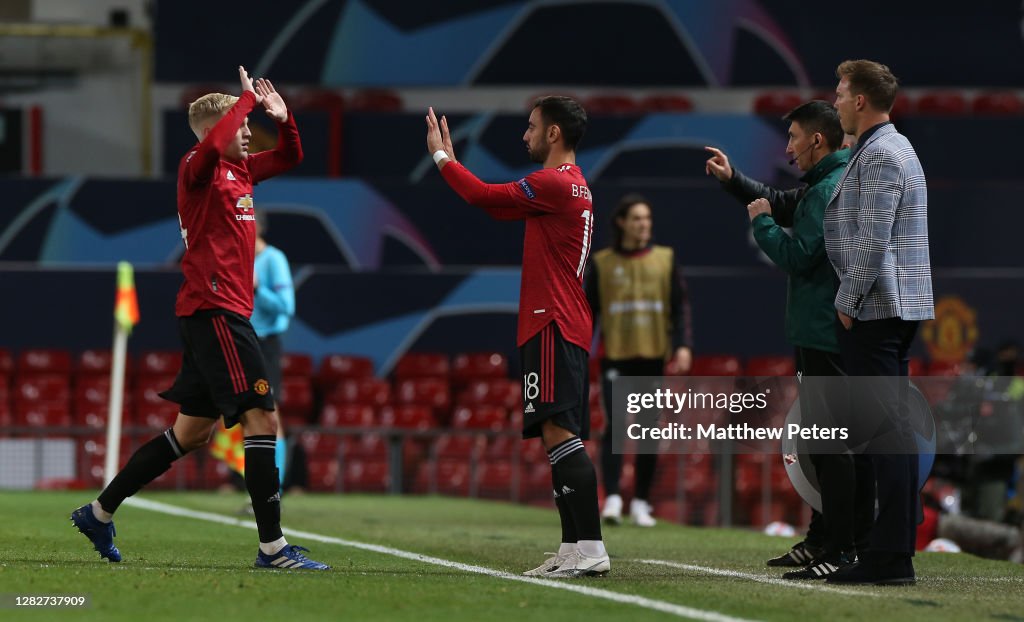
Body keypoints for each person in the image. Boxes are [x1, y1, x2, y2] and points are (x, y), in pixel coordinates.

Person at [70, 67, 329, 571]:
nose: (250, 132)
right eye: (242, 126)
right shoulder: (198, 165)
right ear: (218, 130)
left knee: (190, 434)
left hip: (217, 313)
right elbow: (212, 147)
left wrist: (283, 116)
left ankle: (99, 512)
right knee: (262, 420)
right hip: (216, 311)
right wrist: (245, 101)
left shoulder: (243, 171)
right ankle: (274, 549)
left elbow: (292, 155)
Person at [425, 97, 608, 578]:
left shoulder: (554, 183)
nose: (523, 134)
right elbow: (499, 208)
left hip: (552, 322)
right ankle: (573, 549)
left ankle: (590, 548)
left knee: (561, 435)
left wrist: (444, 158)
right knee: (556, 437)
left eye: (530, 126)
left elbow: (484, 197)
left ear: (553, 134)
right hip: (557, 321)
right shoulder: (570, 188)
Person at [705, 101, 867, 580]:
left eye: (794, 137)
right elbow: (779, 199)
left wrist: (761, 224)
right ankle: (824, 538)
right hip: (818, 332)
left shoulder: (827, 190)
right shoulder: (824, 184)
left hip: (824, 333)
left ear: (817, 140)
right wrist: (735, 180)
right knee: (822, 443)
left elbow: (799, 255)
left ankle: (841, 547)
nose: (789, 147)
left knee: (832, 445)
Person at [823, 59, 934, 586]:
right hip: (888, 305)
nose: (837, 101)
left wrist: (847, 299)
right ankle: (888, 551)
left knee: (886, 433)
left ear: (861, 100)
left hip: (877, 307)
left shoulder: (884, 153)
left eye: (841, 93)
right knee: (890, 431)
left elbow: (873, 237)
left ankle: (890, 556)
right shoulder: (884, 148)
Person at [585, 193, 693, 528]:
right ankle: (614, 497)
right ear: (622, 223)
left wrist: (683, 346)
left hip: (652, 357)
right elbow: (589, 312)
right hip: (615, 356)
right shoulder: (602, 263)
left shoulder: (664, 258)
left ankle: (642, 502)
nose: (643, 224)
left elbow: (679, 306)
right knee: (615, 425)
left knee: (648, 430)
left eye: (646, 218)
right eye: (636, 218)